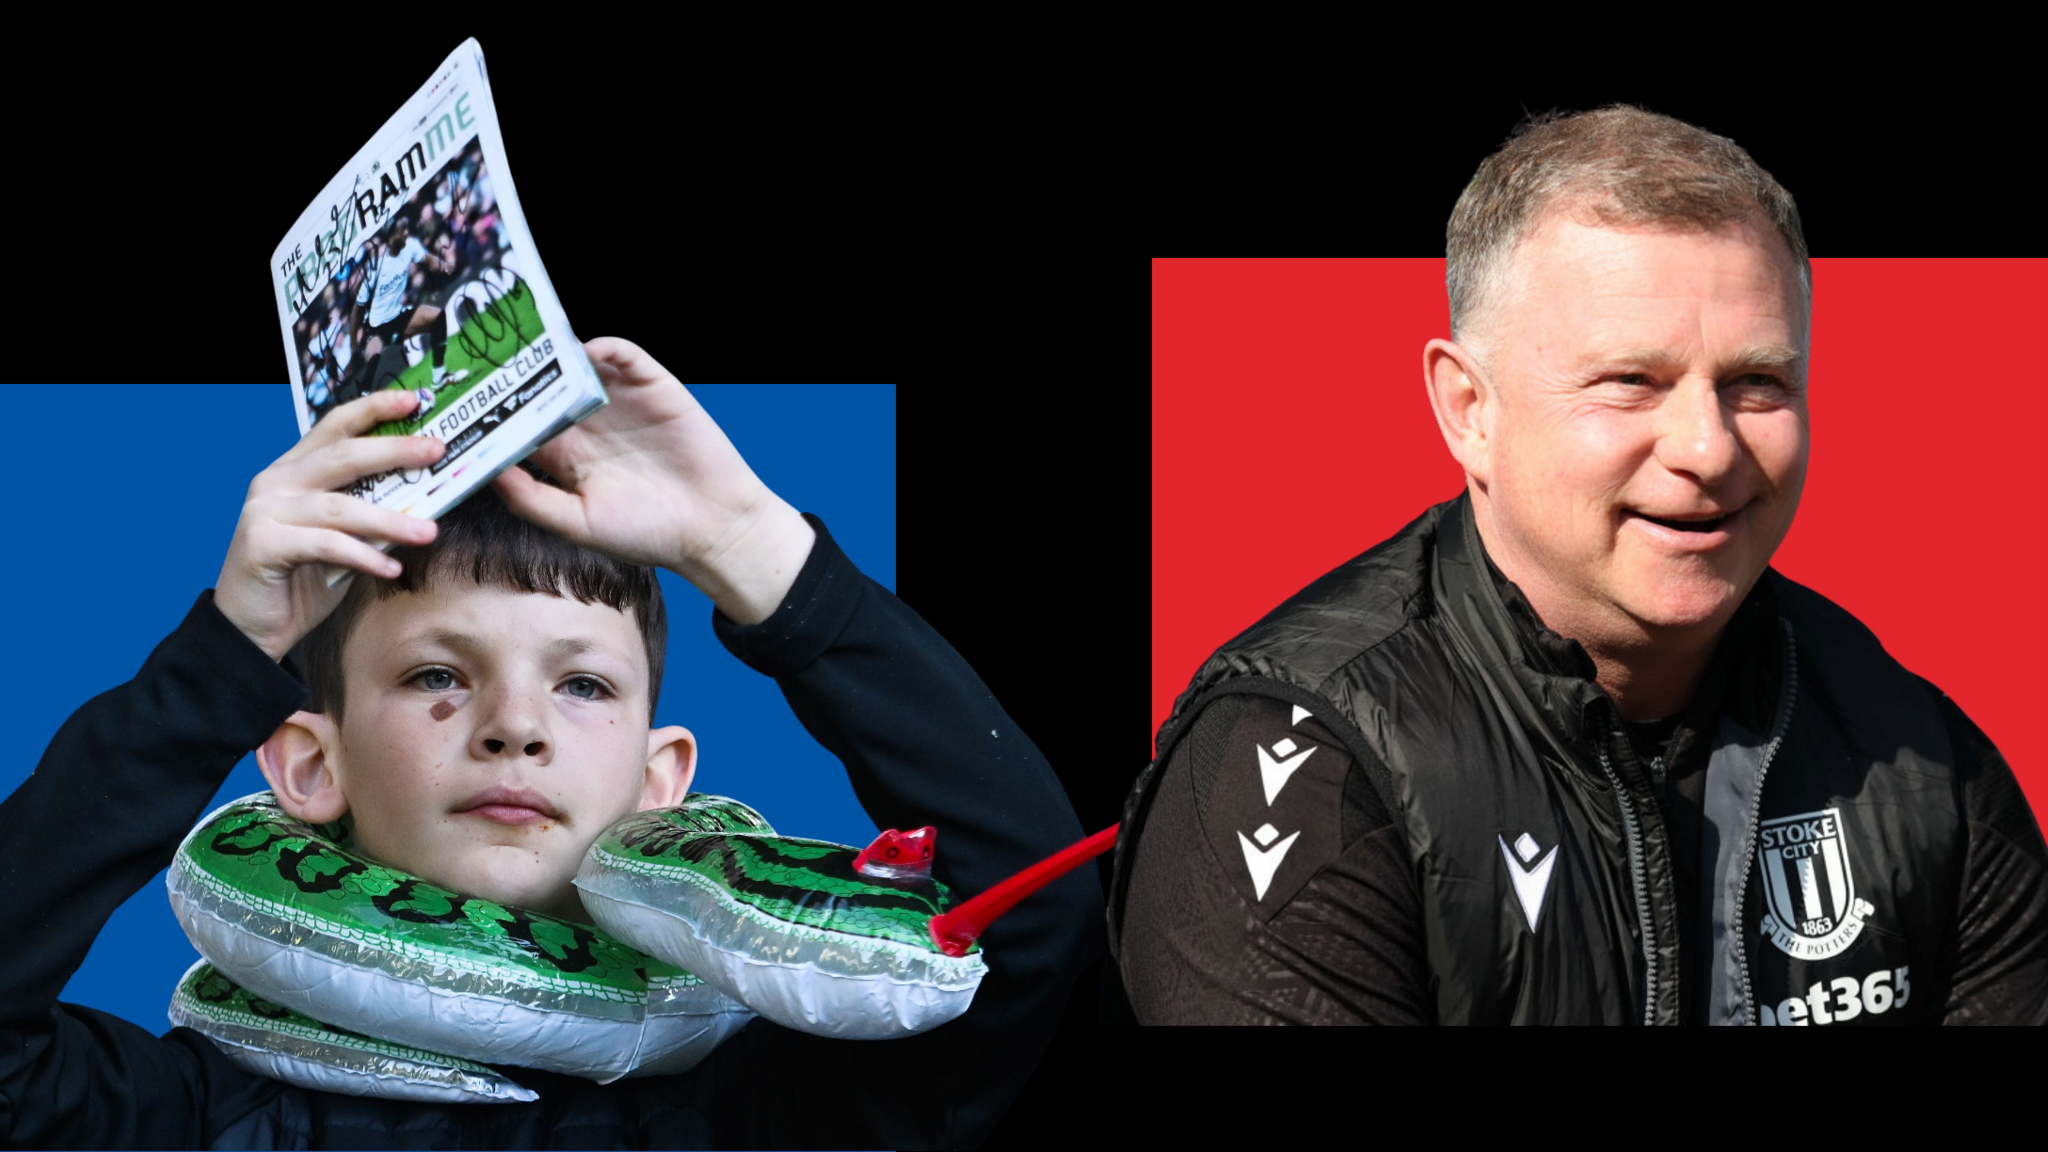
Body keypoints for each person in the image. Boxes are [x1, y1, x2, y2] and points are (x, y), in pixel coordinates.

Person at [0, 340, 1099, 1145]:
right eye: (437, 676)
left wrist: (747, 548)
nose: (514, 727)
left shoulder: (759, 1114)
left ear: (661, 781)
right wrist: (225, 659)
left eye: (580, 683)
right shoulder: (189, 1117)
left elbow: (1024, 922)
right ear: (308, 762)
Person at [1112, 106, 2048, 1025]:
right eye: (1630, 382)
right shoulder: (1300, 769)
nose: (1708, 449)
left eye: (1756, 382)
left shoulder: (1922, 757)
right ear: (1468, 409)